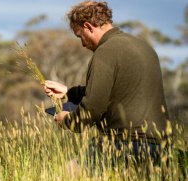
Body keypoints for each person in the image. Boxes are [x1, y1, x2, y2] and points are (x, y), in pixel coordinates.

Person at [44, 1, 171, 170]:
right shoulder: (144, 47)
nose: (82, 44)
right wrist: (68, 93)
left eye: (80, 36)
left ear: (88, 26)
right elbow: (118, 91)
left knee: (63, 179)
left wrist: (67, 120)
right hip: (161, 150)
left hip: (123, 145)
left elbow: (92, 109)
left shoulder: (105, 52)